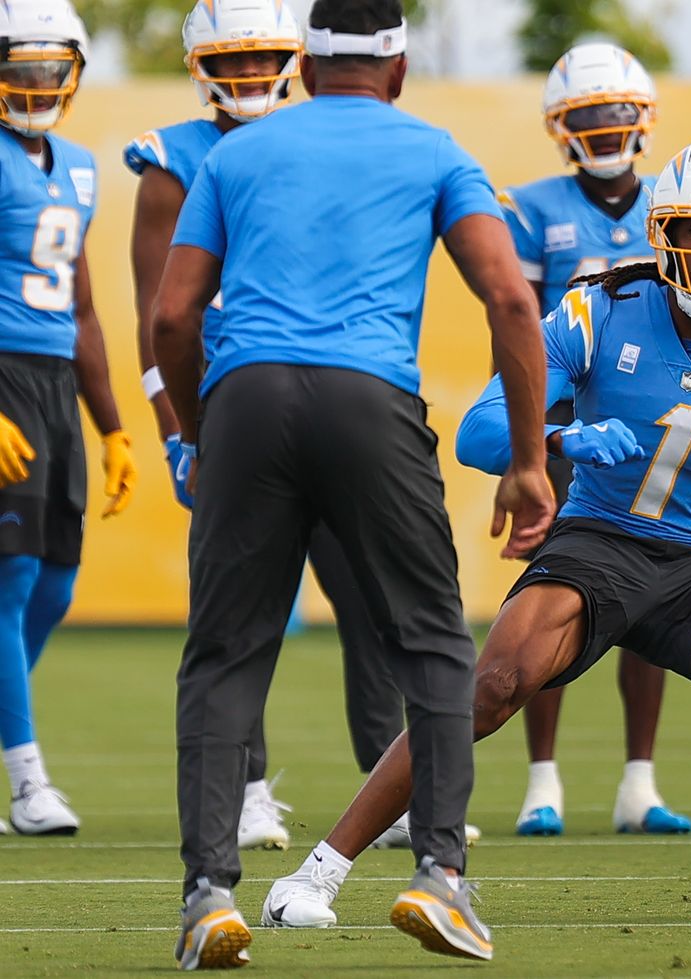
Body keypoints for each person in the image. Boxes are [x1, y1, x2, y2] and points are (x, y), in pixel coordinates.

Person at [262, 139, 691, 954]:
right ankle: (318, 870)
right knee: (493, 681)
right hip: (596, 542)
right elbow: (477, 432)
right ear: (661, 230)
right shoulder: (596, 309)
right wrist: (565, 438)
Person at [151, 0, 555, 968]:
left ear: (306, 65)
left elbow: (172, 317)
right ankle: (440, 878)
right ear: (399, 67)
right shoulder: (434, 150)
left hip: (243, 396)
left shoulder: (233, 156)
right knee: (431, 643)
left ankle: (209, 895)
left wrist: (203, 440)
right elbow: (508, 296)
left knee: (223, 654)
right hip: (368, 400)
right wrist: (532, 460)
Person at [124, 0, 456, 855]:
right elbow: (160, 315)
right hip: (243, 402)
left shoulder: (313, 136)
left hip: (255, 407)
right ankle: (247, 792)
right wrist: (177, 428)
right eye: (228, 63)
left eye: (261, 59)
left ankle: (385, 781)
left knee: (365, 604)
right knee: (243, 622)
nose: (245, 80)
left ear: (300, 61)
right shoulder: (183, 157)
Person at [497, 41, 689, 837]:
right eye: (590, 114)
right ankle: (543, 781)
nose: (608, 127)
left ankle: (637, 782)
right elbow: (515, 325)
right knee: (553, 593)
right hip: (567, 427)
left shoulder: (673, 205)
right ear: (560, 124)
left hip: (659, 426)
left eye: (618, 112)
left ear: (642, 118)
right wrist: (535, 440)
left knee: (653, 588)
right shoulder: (534, 209)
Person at [0, 0, 137, 838]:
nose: (35, 83)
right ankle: (26, 780)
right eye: (20, 66)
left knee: (54, 584)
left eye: (50, 67)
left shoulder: (81, 167)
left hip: (56, 386)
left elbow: (84, 309)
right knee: (9, 581)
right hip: (3, 375)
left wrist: (113, 425)